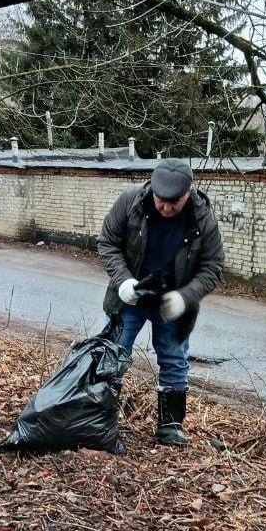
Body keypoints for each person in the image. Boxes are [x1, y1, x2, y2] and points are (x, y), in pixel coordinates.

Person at [96, 158, 224, 446]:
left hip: (172, 300)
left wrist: (186, 297)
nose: (165, 208)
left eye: (173, 203)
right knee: (113, 354)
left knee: (174, 358)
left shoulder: (203, 218)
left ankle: (170, 425)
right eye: (160, 200)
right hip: (132, 294)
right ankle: (101, 417)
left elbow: (213, 266)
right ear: (152, 189)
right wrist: (123, 280)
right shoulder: (131, 202)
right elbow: (107, 242)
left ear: (187, 193)